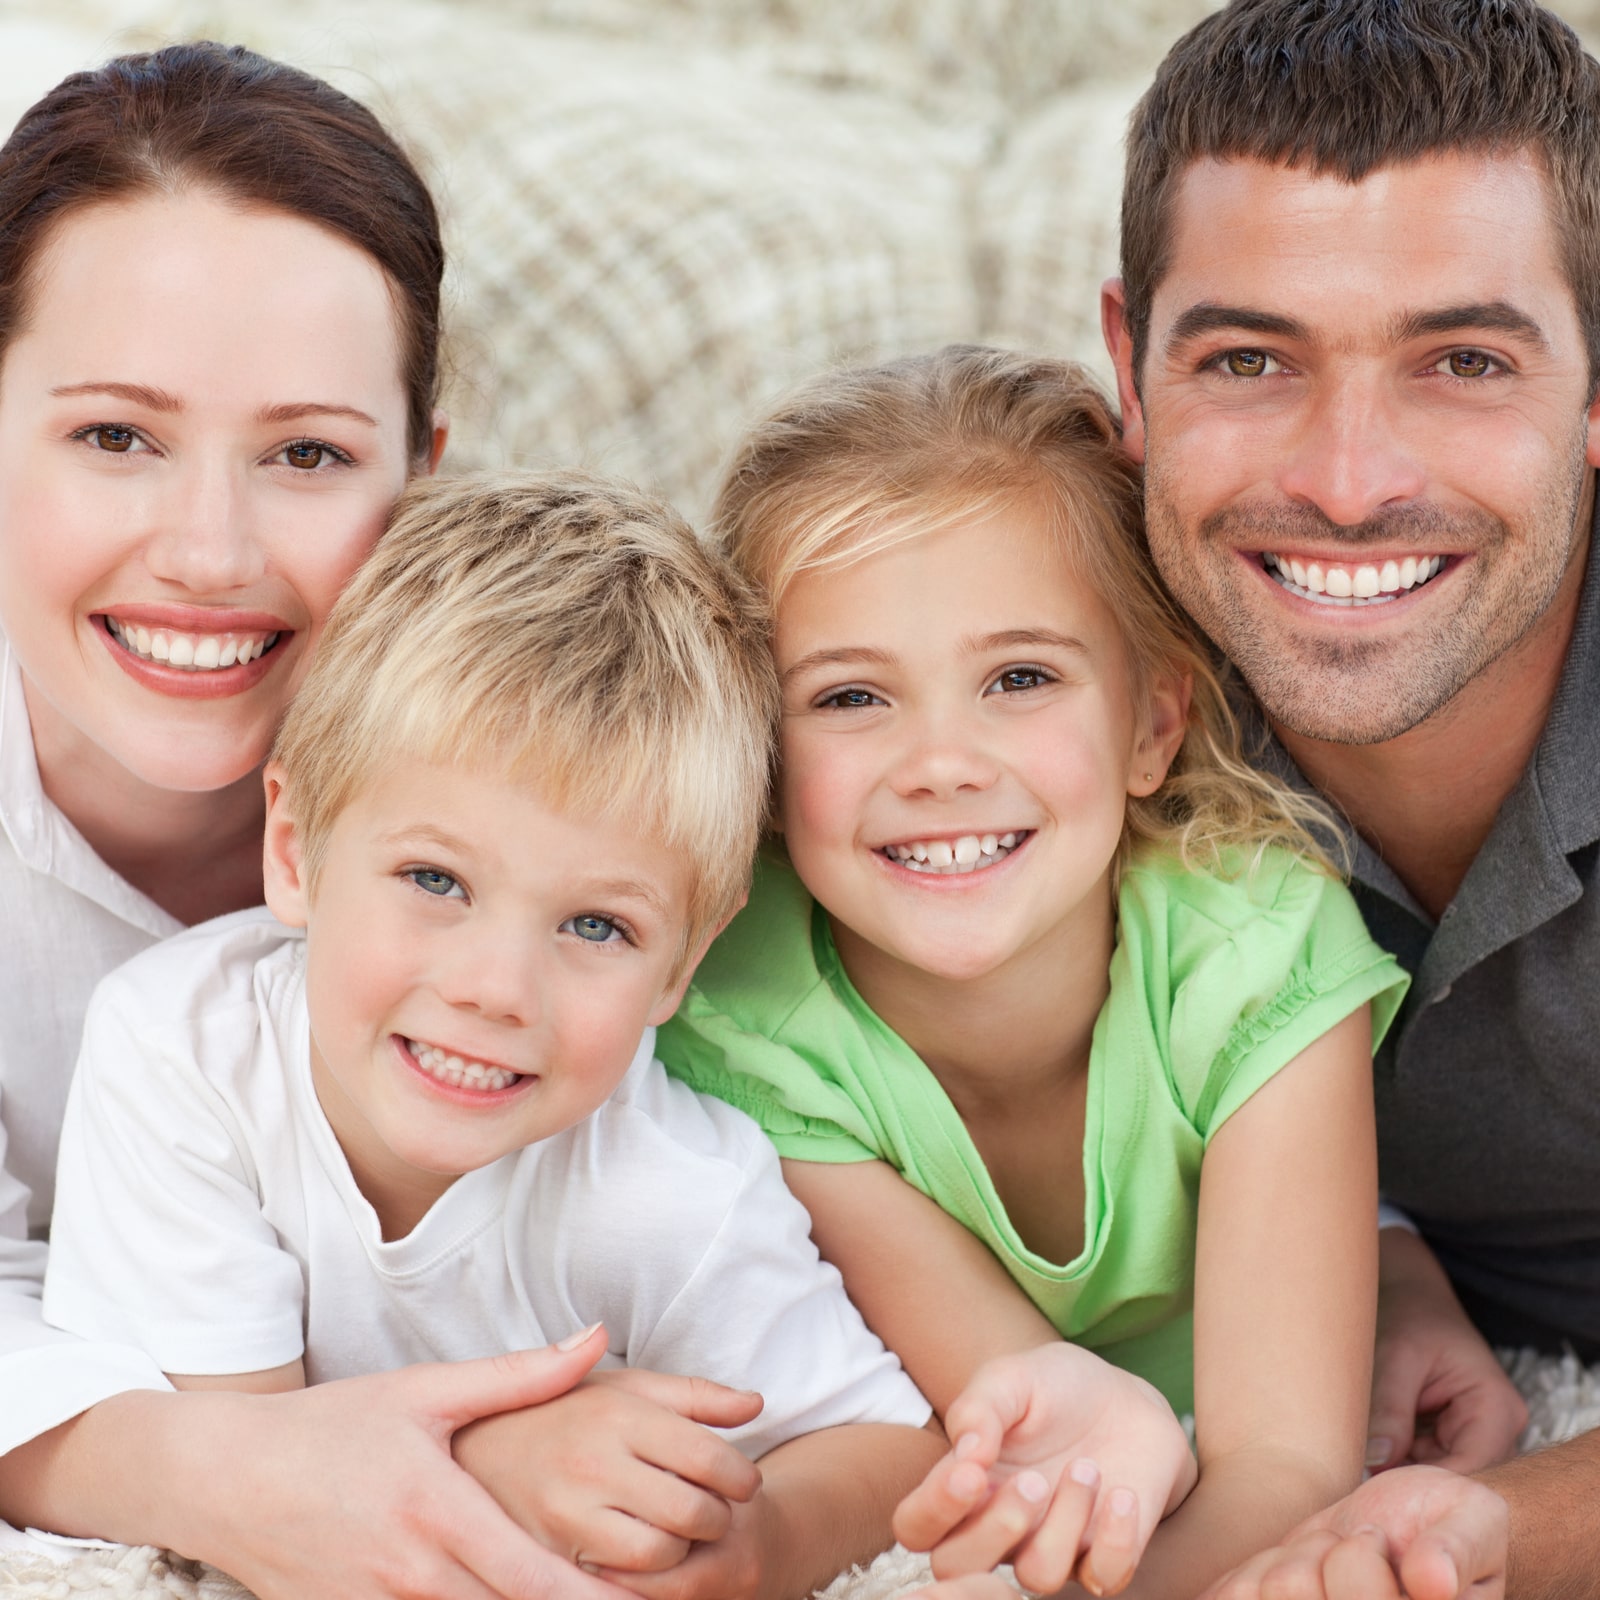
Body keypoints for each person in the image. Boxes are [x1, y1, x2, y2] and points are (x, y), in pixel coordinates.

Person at [40, 468, 942, 1599]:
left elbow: (891, 1446)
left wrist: (757, 1548)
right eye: (435, 877)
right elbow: (259, 1489)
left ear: (684, 962)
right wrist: (503, 1462)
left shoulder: (673, 1191)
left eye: (597, 924)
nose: (498, 987)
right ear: (294, 848)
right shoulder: (182, 1057)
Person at [0, 40, 637, 1600]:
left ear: (419, 485)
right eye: (115, 437)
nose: (208, 553)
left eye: (306, 455)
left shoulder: (558, 782)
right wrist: (226, 1472)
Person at [655, 344, 1411, 1599]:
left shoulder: (1259, 949)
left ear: (1151, 722)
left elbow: (1285, 1469)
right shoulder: (744, 1021)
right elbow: (1027, 1423)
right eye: (849, 697)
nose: (940, 763)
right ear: (765, 763)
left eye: (1018, 678)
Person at [1089, 1, 1600, 1595]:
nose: (1349, 479)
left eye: (1463, 360)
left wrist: (1499, 1528)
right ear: (1129, 366)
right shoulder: (1045, 677)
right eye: (1251, 358)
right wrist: (1374, 1244)